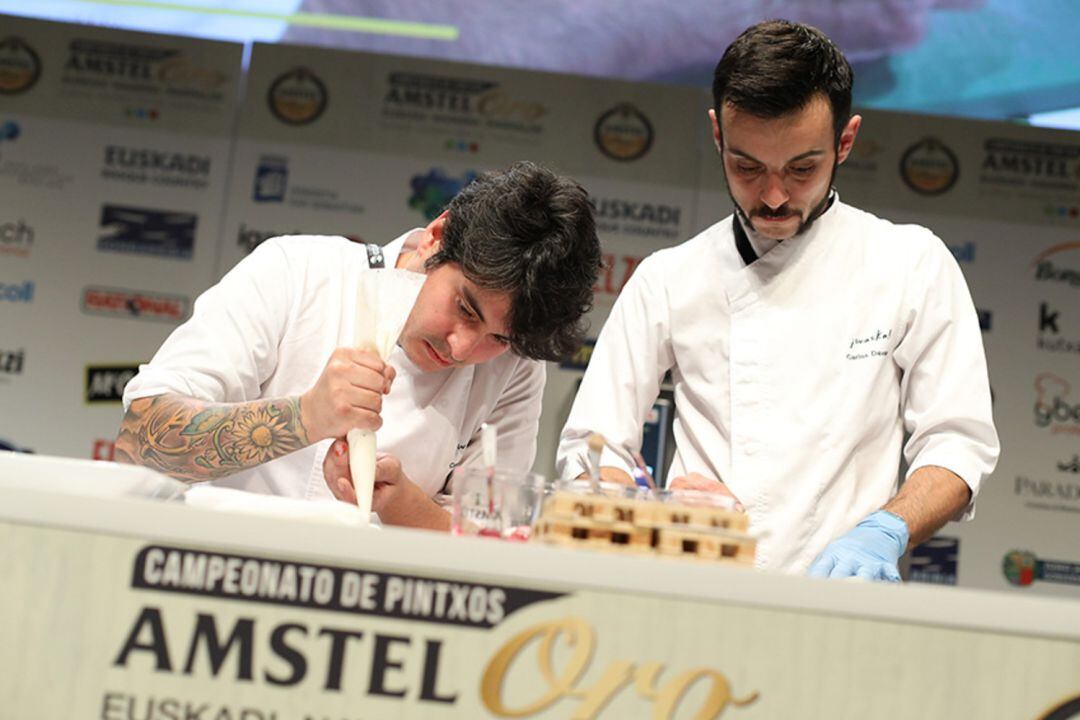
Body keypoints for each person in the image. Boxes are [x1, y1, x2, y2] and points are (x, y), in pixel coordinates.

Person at [556, 20, 999, 579]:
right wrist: (644, 513)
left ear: (846, 140)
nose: (772, 195)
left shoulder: (910, 264)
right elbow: (592, 448)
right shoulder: (668, 279)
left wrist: (884, 530)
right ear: (717, 135)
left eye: (801, 169)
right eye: (747, 167)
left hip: (839, 605)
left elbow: (958, 445)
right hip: (690, 587)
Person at [116, 161, 601, 530]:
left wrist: (402, 503)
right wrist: (304, 417)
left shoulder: (514, 370)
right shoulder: (297, 271)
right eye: (466, 308)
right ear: (437, 237)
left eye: (498, 337)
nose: (461, 347)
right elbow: (140, 440)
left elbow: (489, 541)